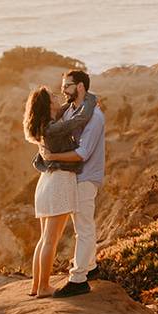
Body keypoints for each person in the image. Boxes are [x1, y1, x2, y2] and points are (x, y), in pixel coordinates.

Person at [24, 86, 97, 297]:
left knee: (44, 239)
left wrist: (74, 99)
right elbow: (78, 121)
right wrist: (90, 100)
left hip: (46, 182)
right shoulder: (53, 128)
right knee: (50, 240)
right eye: (53, 97)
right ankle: (45, 288)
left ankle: (36, 287)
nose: (58, 98)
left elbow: (66, 110)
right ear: (47, 106)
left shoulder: (43, 126)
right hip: (59, 183)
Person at [40, 69, 105, 298]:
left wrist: (52, 158)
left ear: (79, 87)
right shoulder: (70, 112)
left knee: (83, 228)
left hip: (86, 176)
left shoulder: (95, 117)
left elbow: (83, 153)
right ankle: (91, 267)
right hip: (74, 177)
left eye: (67, 86)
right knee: (83, 226)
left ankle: (78, 279)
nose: (63, 90)